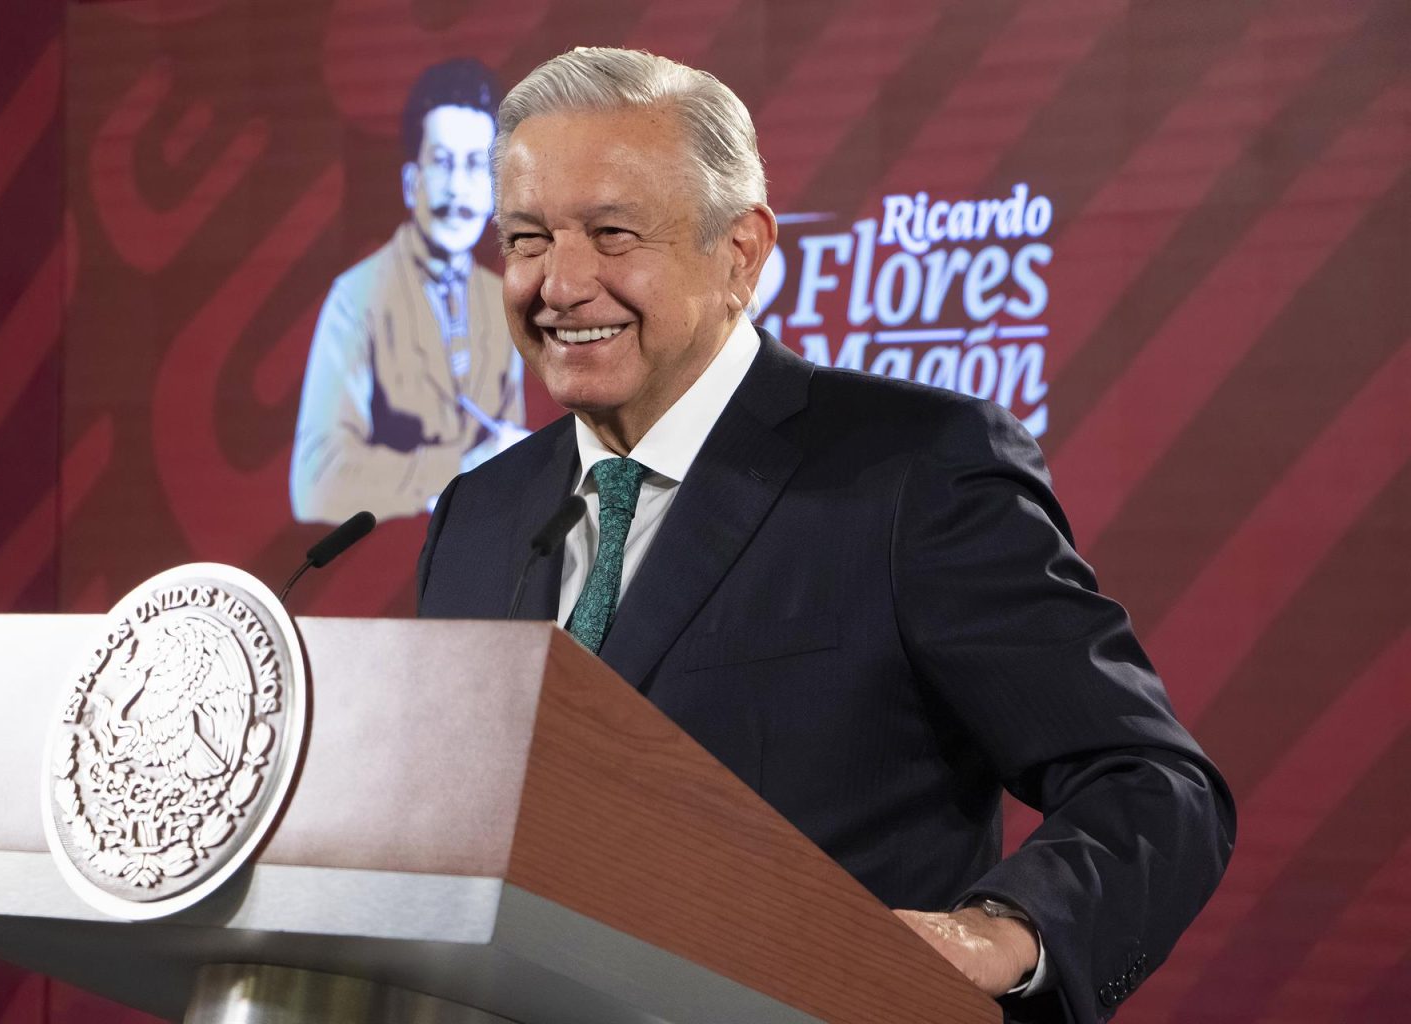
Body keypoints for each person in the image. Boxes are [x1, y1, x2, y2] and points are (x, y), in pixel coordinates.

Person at [417, 47, 1234, 1023]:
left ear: (743, 252)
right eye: (528, 239)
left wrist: (1001, 933)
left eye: (612, 233)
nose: (560, 283)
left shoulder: (915, 472)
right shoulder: (479, 513)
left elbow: (1150, 781)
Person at [291, 58, 528, 525]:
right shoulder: (356, 296)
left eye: (474, 167)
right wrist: (456, 471)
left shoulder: (504, 299)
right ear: (410, 183)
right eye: (441, 164)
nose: (458, 191)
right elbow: (313, 484)